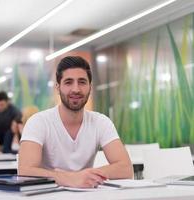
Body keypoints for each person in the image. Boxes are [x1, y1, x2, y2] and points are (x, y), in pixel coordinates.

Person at [18, 56, 133, 188]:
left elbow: (125, 168)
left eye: (82, 82)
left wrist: (85, 176)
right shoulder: (38, 122)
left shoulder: (101, 122)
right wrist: (70, 179)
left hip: (86, 195)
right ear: (58, 87)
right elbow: (25, 171)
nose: (76, 89)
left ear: (90, 87)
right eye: (68, 82)